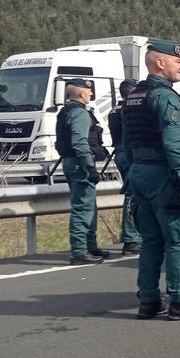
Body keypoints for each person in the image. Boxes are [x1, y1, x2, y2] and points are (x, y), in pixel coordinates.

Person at [122, 41, 180, 320]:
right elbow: (175, 142)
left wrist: (130, 173)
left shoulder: (134, 96)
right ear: (160, 63)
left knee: (151, 241)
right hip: (164, 174)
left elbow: (126, 142)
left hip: (140, 173)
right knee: (178, 240)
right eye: (177, 62)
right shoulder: (165, 97)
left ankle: (149, 300)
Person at [55, 77, 111, 264]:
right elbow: (80, 142)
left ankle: (90, 246)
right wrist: (89, 166)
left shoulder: (65, 112)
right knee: (83, 207)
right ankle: (79, 251)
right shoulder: (79, 113)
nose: (91, 93)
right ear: (81, 92)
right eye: (88, 90)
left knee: (89, 206)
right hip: (80, 164)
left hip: (72, 162)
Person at [109, 79, 141, 256]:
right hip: (130, 154)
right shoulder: (129, 109)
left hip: (120, 153)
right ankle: (131, 239)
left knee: (133, 194)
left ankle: (133, 236)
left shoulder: (114, 110)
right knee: (133, 195)